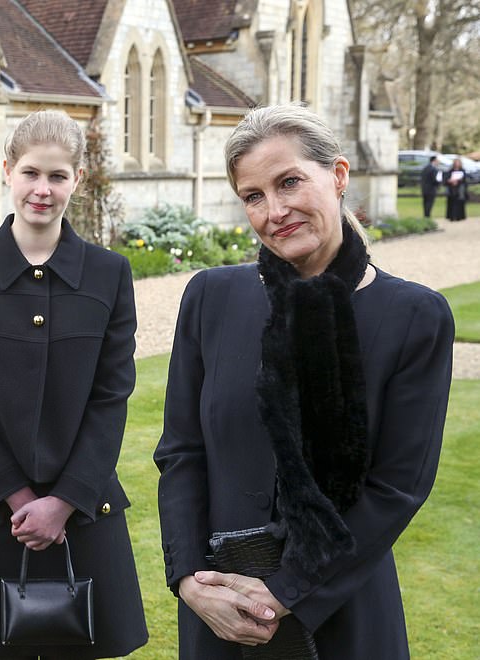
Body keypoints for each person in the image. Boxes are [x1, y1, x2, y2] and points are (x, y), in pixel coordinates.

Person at [154, 104, 454, 659]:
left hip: (342, 610)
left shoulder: (415, 316)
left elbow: (397, 487)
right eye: (254, 196)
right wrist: (189, 578)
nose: (275, 210)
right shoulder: (211, 297)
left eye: (289, 181)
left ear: (338, 176)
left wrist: (287, 591)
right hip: (220, 611)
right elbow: (181, 452)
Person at [0, 109, 149, 658]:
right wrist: (20, 497)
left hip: (84, 517)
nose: (42, 190)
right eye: (30, 173)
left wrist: (64, 501)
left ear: (77, 178)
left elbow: (111, 397)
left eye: (57, 176)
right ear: (7, 171)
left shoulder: (110, 273)